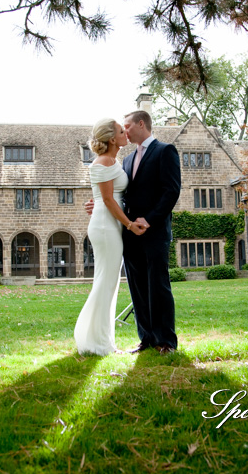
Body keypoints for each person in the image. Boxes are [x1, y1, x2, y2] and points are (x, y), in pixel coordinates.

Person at [75, 118, 146, 355]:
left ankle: (101, 341)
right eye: (120, 130)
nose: (125, 132)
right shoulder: (103, 162)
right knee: (106, 282)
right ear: (112, 139)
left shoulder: (113, 161)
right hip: (106, 227)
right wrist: (129, 224)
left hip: (109, 223)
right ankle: (97, 343)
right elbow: (106, 199)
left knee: (109, 282)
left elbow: (105, 196)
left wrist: (97, 204)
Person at [120, 110, 182, 354]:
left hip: (154, 233)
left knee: (158, 286)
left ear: (141, 123)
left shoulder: (165, 151)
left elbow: (171, 191)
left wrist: (150, 219)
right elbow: (124, 196)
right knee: (137, 287)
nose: (125, 131)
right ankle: (146, 338)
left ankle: (166, 340)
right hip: (130, 234)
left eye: (127, 126)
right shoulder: (126, 160)